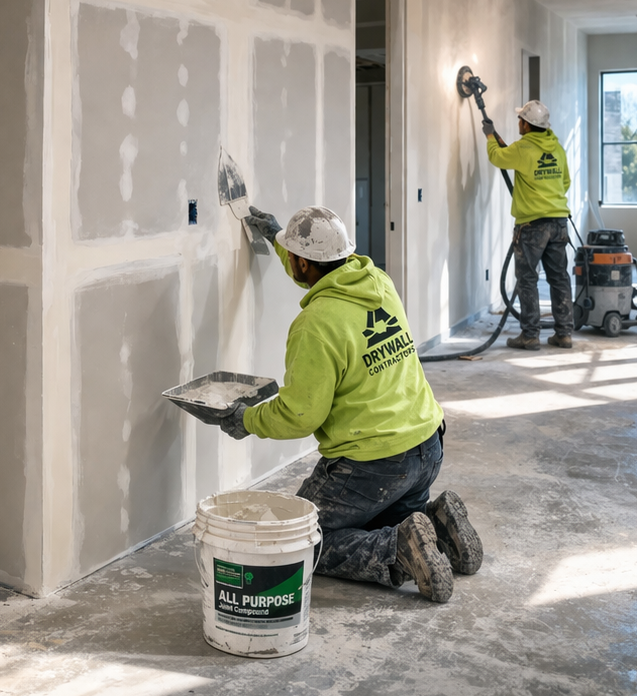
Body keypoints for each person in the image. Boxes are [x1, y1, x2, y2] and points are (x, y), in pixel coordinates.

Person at [201, 205, 484, 604]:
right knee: (377, 519)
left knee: (302, 537)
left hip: (376, 466)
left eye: (294, 257)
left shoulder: (316, 323)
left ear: (303, 261)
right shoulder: (377, 282)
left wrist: (247, 419)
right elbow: (319, 264)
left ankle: (398, 549)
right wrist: (279, 238)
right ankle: (437, 522)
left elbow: (300, 414)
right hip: (427, 448)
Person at [484, 99, 574, 350]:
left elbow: (497, 157)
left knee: (527, 279)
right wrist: (547, 196)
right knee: (559, 278)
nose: (518, 124)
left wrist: (490, 136)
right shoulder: (557, 149)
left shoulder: (523, 149)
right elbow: (565, 182)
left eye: (520, 120)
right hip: (558, 223)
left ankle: (530, 335)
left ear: (527, 124)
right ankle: (564, 334)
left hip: (532, 226)